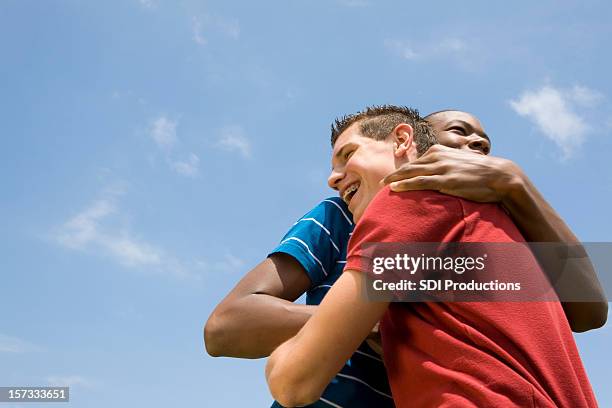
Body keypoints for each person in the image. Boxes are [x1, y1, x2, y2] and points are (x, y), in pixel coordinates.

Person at [205, 108, 607, 407]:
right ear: (411, 141)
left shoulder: (484, 226)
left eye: (485, 143)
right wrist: (369, 322)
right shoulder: (352, 213)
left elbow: (589, 309)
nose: (478, 146)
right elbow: (225, 327)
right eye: (458, 132)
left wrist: (517, 184)